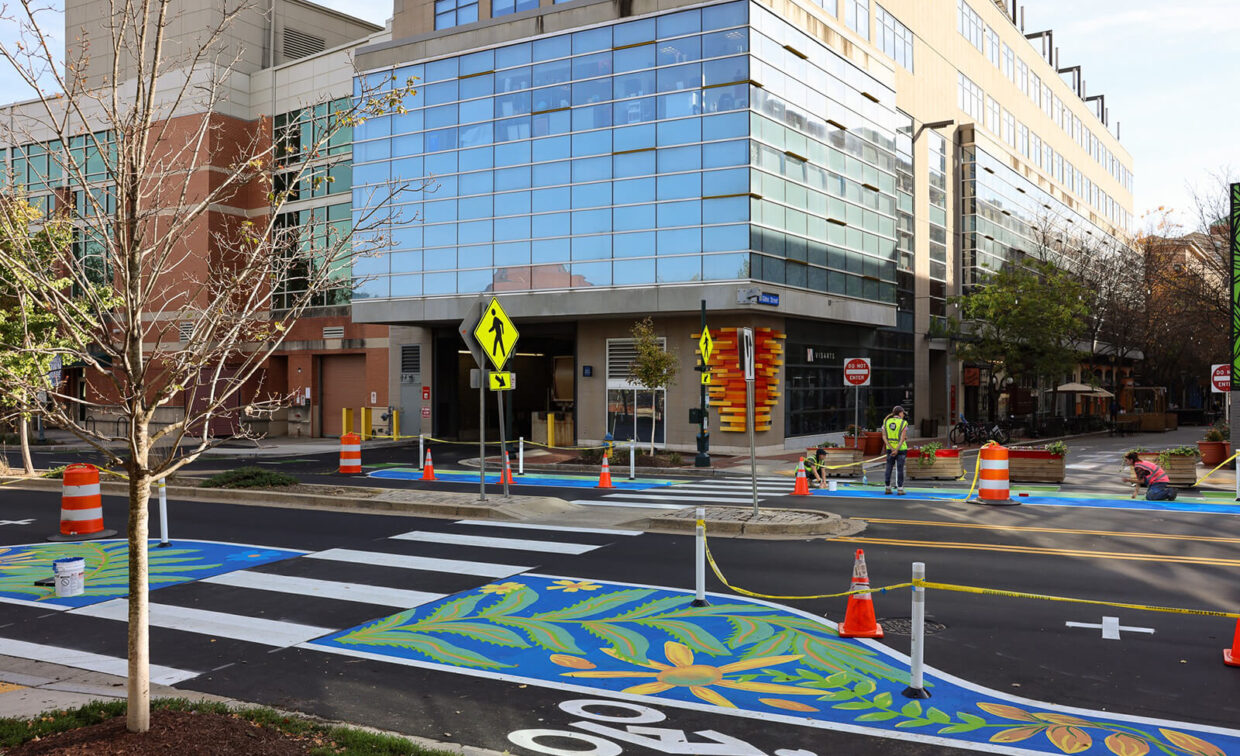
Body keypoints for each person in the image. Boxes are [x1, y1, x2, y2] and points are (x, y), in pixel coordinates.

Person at [883, 405, 909, 495]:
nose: (903, 415)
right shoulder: (903, 423)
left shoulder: (886, 422)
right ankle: (900, 489)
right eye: (903, 413)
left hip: (889, 449)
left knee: (889, 467)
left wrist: (891, 448)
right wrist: (897, 449)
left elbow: (884, 436)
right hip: (901, 449)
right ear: (900, 413)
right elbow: (902, 438)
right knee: (900, 469)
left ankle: (887, 488)